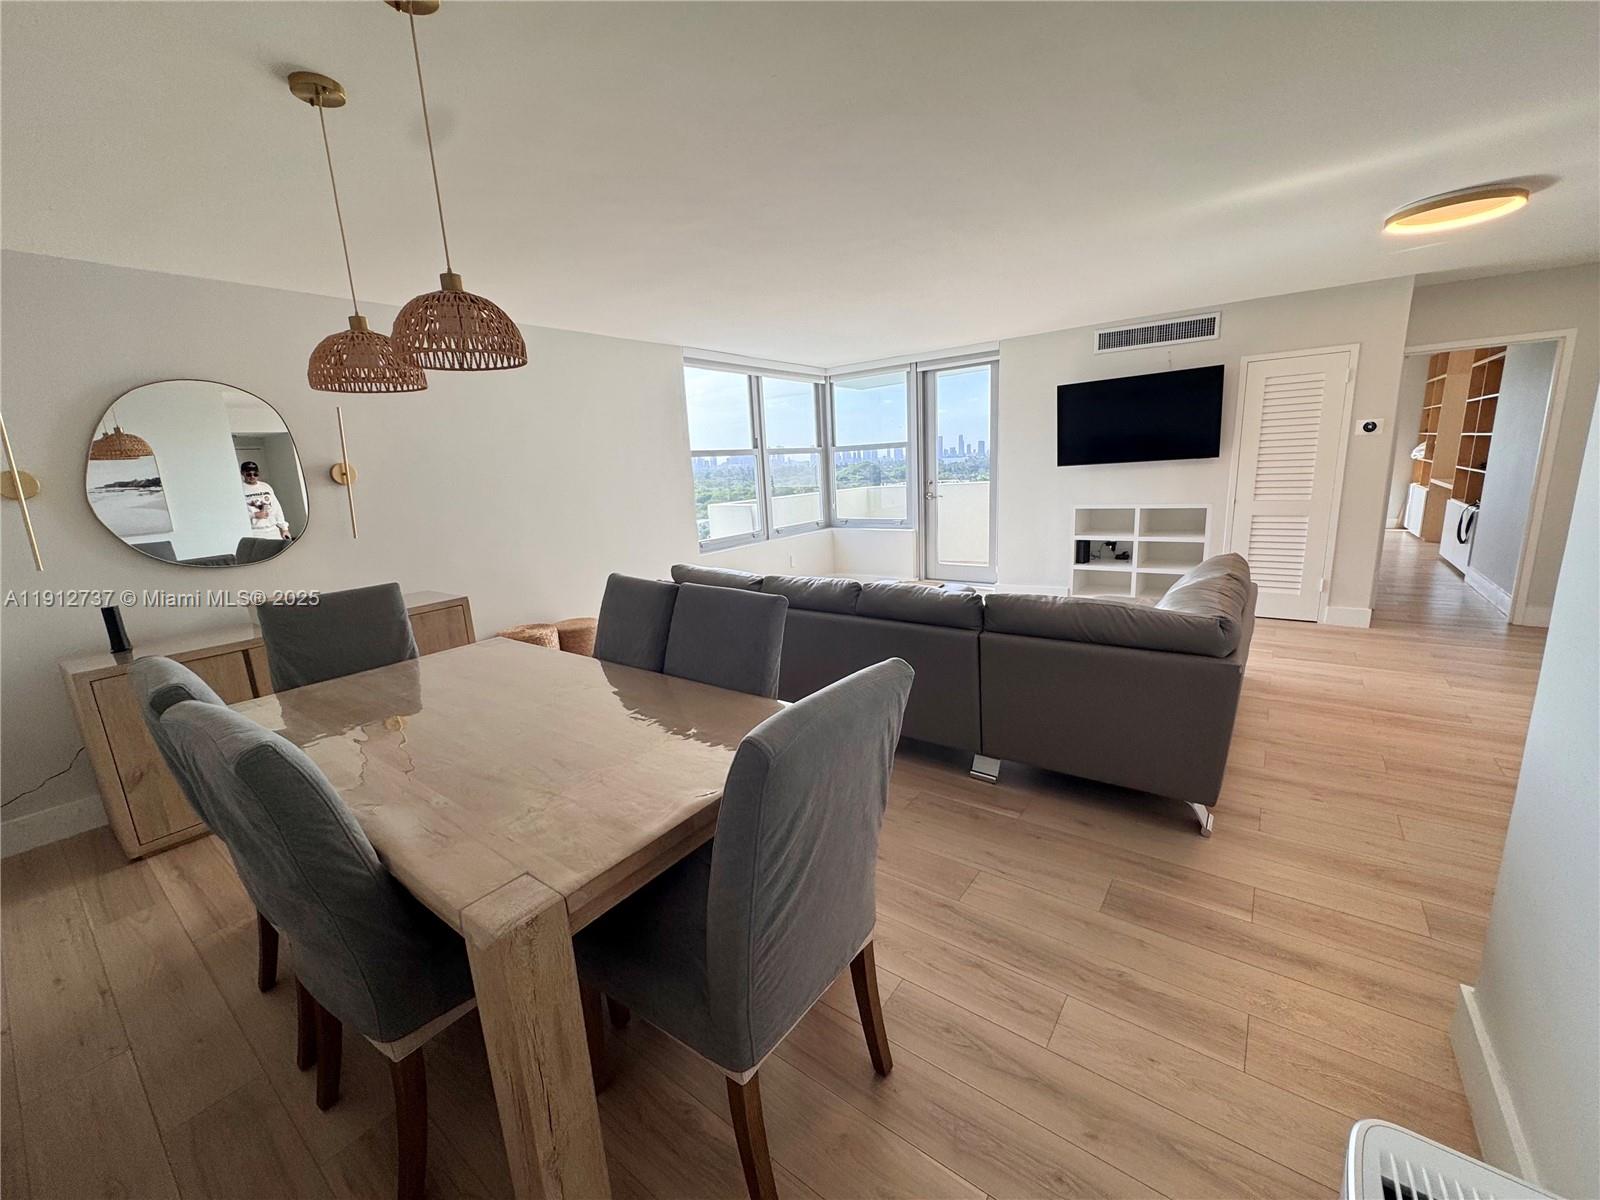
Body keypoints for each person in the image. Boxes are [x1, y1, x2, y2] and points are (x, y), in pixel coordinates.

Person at [241, 461, 291, 540]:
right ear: (243, 473)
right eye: (249, 474)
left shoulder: (265, 486)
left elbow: (276, 508)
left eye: (255, 474)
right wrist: (254, 515)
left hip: (273, 530)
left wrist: (284, 528)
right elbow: (237, 514)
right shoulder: (240, 489)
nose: (252, 476)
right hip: (255, 532)